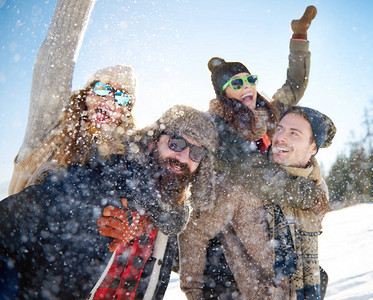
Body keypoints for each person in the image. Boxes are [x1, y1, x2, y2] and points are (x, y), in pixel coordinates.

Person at [0, 105, 218, 300]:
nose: (183, 157)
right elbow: (7, 224)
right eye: (176, 142)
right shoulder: (92, 184)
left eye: (196, 152)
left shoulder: (173, 220)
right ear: (153, 142)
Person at [179, 6, 320, 299]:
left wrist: (299, 37)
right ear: (223, 93)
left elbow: (294, 86)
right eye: (237, 83)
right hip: (223, 243)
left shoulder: (265, 115)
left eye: (250, 79)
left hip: (265, 226)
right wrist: (307, 195)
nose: (248, 87)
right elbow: (254, 175)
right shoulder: (219, 127)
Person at [8, 0, 137, 195]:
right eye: (102, 88)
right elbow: (57, 54)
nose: (109, 100)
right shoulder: (52, 129)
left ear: (126, 112)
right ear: (86, 95)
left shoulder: (128, 155)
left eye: (121, 98)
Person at [227, 106, 336, 299]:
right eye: (280, 129)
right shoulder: (248, 180)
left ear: (312, 148)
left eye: (294, 133)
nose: (280, 137)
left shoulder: (316, 191)